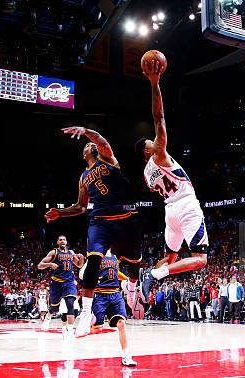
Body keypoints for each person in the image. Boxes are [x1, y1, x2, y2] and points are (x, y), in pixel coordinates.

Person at [46, 125, 143, 335]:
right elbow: (81, 207)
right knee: (93, 260)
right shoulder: (83, 177)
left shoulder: (107, 159)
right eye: (88, 145)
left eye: (92, 144)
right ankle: (85, 314)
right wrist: (60, 213)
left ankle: (133, 288)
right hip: (100, 221)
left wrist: (86, 131)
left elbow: (102, 140)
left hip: (124, 218)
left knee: (135, 261)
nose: (91, 145)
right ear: (84, 154)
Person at [136, 59, 209, 301]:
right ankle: (153, 276)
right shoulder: (159, 155)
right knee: (200, 259)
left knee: (169, 259)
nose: (154, 141)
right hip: (186, 204)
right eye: (150, 142)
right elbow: (159, 117)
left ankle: (149, 277)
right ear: (149, 151)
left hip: (170, 212)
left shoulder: (147, 174)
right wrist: (155, 84)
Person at [87, 251, 137, 366]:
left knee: (121, 324)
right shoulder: (95, 254)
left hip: (115, 294)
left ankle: (126, 356)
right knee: (97, 327)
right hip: (100, 294)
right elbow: (85, 272)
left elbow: (114, 272)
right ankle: (89, 317)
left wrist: (127, 279)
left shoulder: (116, 256)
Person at [37, 235, 84, 339]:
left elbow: (79, 265)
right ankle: (48, 317)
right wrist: (50, 264)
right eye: (60, 240)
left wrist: (82, 258)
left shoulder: (71, 253)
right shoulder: (54, 252)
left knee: (70, 304)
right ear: (57, 242)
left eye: (64, 239)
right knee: (55, 308)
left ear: (66, 242)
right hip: (56, 283)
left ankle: (70, 331)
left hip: (69, 282)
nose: (62, 241)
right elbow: (39, 265)